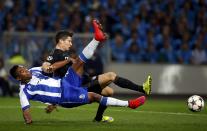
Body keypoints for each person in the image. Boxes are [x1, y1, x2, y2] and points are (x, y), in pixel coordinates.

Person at [9, 22, 146, 124]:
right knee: (95, 95)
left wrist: (51, 66)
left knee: (81, 64)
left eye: (24, 68)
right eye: (22, 71)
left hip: (66, 82)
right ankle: (129, 104)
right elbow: (47, 65)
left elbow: (43, 67)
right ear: (18, 77)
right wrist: (29, 122)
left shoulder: (33, 70)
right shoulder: (25, 90)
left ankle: (96, 38)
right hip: (65, 95)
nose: (26, 70)